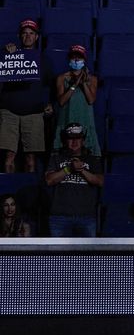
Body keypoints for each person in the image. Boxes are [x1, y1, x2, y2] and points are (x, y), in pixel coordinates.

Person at [0, 19, 52, 173]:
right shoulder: (9, 54)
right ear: (19, 36)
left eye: (31, 33)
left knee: (30, 159)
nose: (28, 36)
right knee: (9, 157)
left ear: (36, 37)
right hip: (9, 111)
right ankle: (8, 188)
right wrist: (6, 53)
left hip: (34, 113)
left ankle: (29, 188)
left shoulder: (44, 60)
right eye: (24, 33)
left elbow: (50, 85)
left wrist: (49, 103)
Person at [44, 123, 103, 237]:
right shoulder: (56, 159)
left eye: (78, 138)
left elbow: (100, 181)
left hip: (86, 217)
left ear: (83, 140)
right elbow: (49, 180)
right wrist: (69, 169)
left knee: (87, 249)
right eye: (70, 138)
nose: (74, 142)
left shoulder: (92, 160)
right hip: (59, 217)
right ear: (65, 141)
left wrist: (81, 170)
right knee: (58, 249)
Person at [52, 45, 100, 157]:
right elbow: (61, 101)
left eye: (79, 58)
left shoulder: (92, 79)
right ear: (69, 60)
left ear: (84, 60)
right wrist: (74, 84)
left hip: (85, 119)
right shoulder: (61, 78)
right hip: (67, 118)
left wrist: (83, 83)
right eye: (73, 57)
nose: (76, 60)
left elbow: (91, 100)